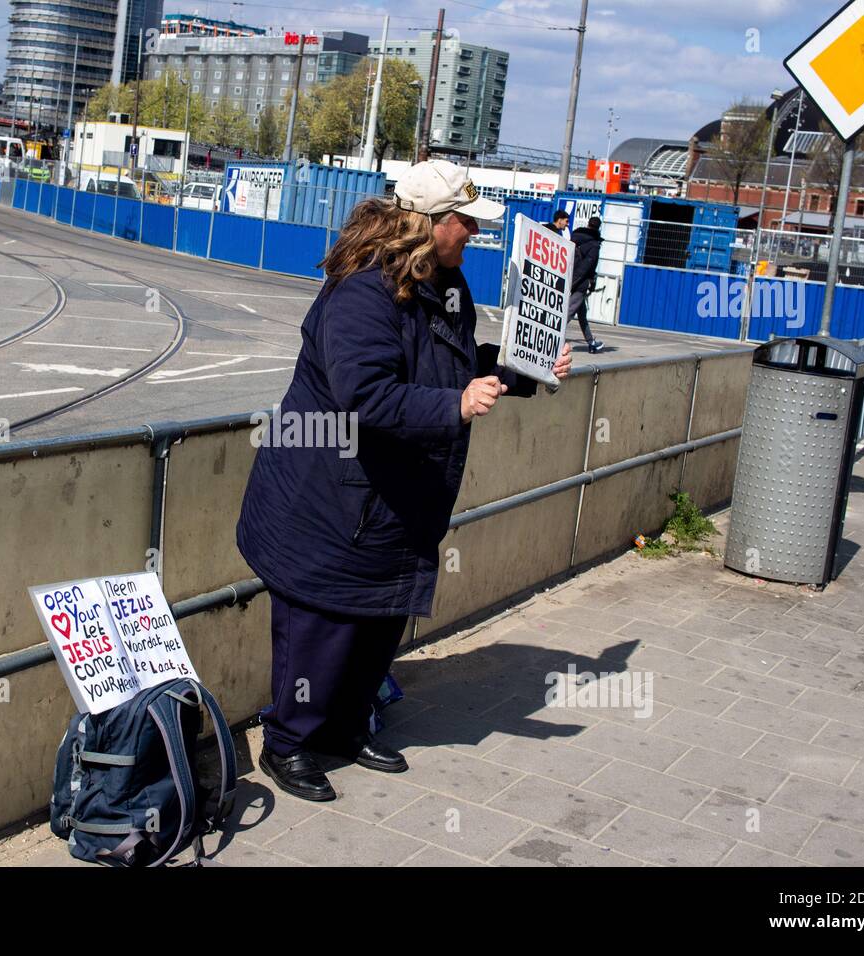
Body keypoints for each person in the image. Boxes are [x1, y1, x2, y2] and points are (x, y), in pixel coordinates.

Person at [236, 160, 573, 802]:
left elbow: (453, 361)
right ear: (427, 222)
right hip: (330, 498)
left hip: (394, 499)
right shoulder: (363, 290)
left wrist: (524, 370)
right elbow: (364, 393)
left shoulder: (446, 284)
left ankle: (345, 724)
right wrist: (452, 406)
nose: (473, 231)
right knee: (321, 628)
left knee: (377, 621)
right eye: (463, 221)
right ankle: (288, 743)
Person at [567, 215, 606, 354]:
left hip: (569, 277)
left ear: (588, 224)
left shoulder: (576, 237)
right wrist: (589, 281)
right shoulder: (594, 245)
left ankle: (591, 342)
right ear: (598, 227)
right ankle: (550, 336)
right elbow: (587, 267)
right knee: (568, 313)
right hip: (580, 283)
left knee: (582, 314)